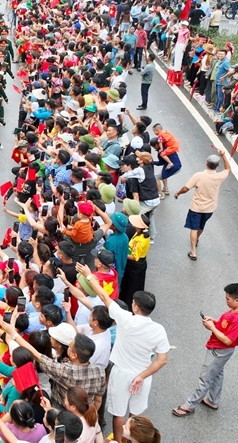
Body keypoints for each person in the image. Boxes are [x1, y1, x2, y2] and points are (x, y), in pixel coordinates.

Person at [76, 263, 169, 442]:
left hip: (121, 373)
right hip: (143, 376)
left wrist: (89, 275)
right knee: (136, 415)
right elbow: (161, 360)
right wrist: (142, 376)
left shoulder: (125, 319)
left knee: (119, 413)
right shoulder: (159, 330)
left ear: (136, 307)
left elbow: (103, 296)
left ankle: (119, 441)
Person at [172, 282, 238, 417]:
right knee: (217, 373)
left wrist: (212, 328)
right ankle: (213, 400)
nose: (226, 301)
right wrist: (214, 321)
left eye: (228, 299)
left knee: (205, 378)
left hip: (219, 350)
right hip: (220, 350)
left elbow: (228, 340)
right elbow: (225, 326)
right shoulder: (233, 311)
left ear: (237, 300)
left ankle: (189, 405)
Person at [174, 148, 231, 260]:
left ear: (206, 164)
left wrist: (178, 193)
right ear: (217, 165)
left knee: (193, 228)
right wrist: (223, 155)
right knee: (201, 225)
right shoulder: (219, 176)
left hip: (196, 207)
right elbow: (228, 169)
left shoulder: (198, 176)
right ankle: (196, 239)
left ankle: (193, 252)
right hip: (210, 208)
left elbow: (186, 188)